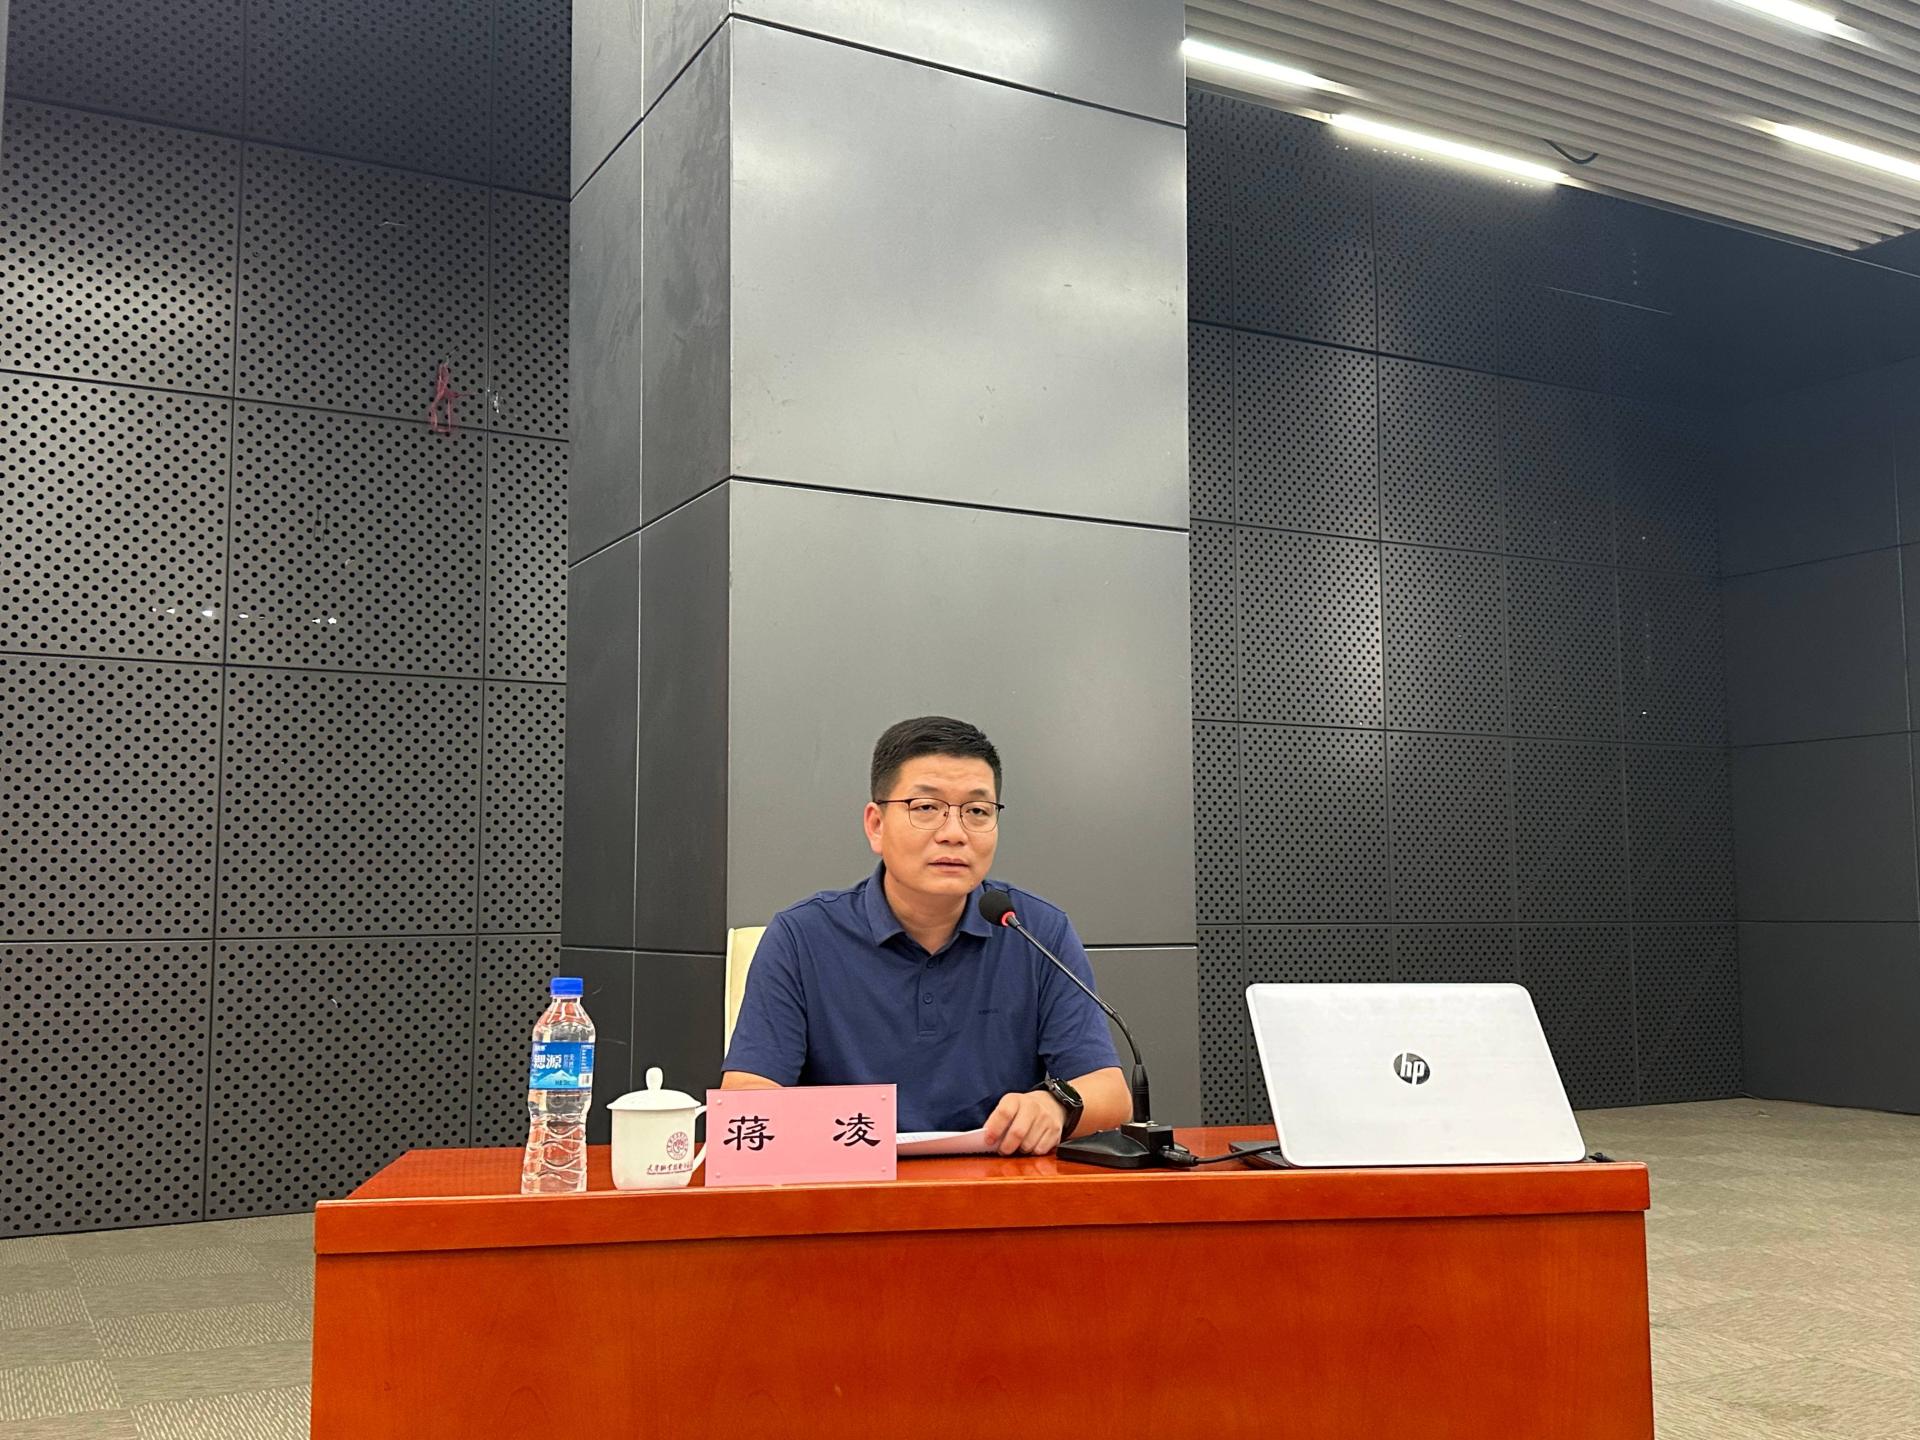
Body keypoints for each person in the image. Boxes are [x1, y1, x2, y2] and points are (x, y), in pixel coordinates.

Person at [720, 716, 1133, 1155]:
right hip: (851, 1181)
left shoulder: (1035, 929)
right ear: (876, 825)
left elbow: (1110, 1092)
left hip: (996, 1184)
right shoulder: (801, 936)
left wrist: (1056, 1105)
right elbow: (746, 1097)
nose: (954, 834)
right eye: (926, 808)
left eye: (977, 811)